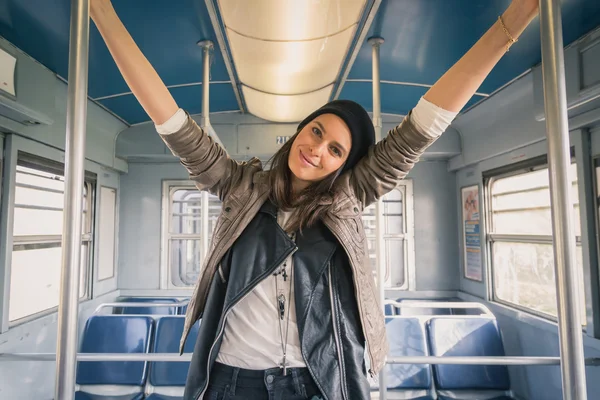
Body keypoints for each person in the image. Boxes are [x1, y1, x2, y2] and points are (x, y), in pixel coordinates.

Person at [90, 1, 540, 399]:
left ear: (345, 166)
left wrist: (512, 22)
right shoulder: (239, 186)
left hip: (315, 380)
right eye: (317, 132)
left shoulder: (348, 197)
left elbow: (427, 123)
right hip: (233, 379)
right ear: (302, 130)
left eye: (336, 151)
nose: (317, 149)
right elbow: (170, 121)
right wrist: (103, 14)